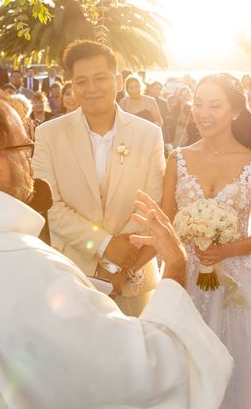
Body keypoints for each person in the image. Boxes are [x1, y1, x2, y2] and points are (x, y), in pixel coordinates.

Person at [0, 86, 233, 408]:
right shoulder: (20, 267)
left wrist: (88, 290)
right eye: (24, 147)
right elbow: (145, 370)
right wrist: (174, 269)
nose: (29, 160)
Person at [162, 73, 251, 409]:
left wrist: (225, 250)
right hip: (185, 277)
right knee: (182, 366)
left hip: (238, 283)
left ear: (236, 111)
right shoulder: (177, 159)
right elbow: (166, 222)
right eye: (198, 104)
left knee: (242, 370)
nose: (203, 113)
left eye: (214, 105)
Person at [32, 40, 165, 317]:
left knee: (135, 357)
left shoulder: (148, 134)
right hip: (70, 276)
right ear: (72, 86)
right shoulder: (48, 134)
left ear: (118, 81)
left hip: (132, 276)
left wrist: (118, 266)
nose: (91, 88)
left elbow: (153, 204)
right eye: (81, 81)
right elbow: (50, 207)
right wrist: (105, 245)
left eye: (100, 78)